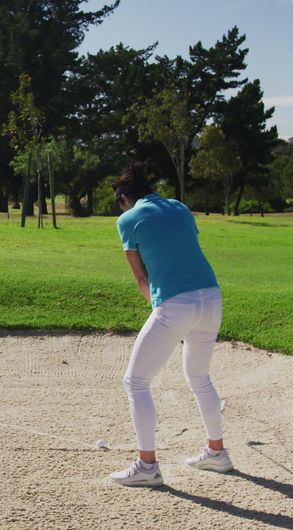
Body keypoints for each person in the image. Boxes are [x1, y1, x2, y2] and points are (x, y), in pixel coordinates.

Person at [109, 163, 233, 487]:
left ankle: (147, 466)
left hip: (176, 305)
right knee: (199, 376)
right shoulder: (179, 207)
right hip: (211, 298)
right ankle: (217, 452)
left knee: (135, 381)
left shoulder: (127, 220)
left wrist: (162, 310)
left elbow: (141, 277)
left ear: (124, 197)